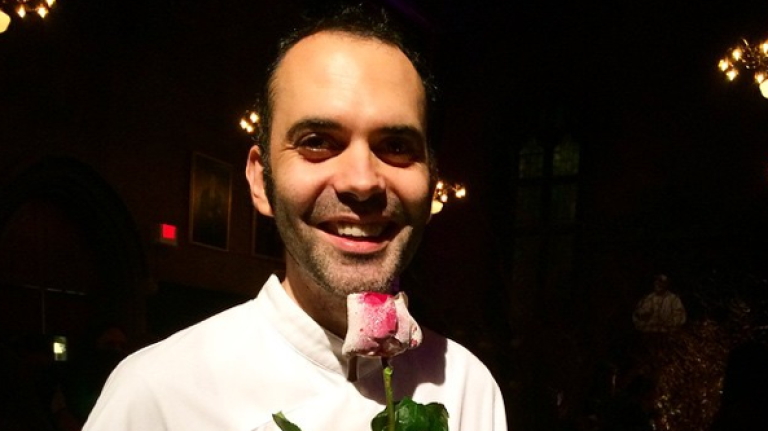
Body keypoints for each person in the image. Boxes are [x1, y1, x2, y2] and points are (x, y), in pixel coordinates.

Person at [82, 5, 506, 431]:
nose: (362, 181)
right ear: (261, 181)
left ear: (431, 182)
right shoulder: (159, 396)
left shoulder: (468, 389)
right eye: (318, 141)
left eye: (396, 146)